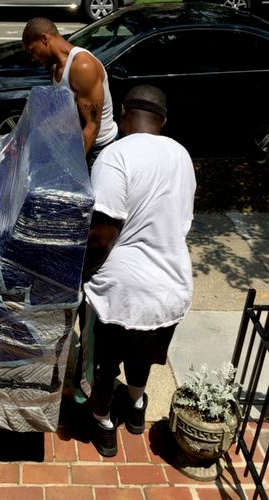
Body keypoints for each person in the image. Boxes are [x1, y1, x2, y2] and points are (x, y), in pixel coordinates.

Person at [82, 85, 196, 457]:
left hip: (121, 292)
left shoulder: (115, 156)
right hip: (169, 288)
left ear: (124, 114)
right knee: (142, 356)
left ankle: (102, 425)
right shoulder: (181, 155)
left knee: (104, 366)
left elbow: (102, 237)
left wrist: (81, 275)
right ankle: (134, 408)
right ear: (163, 120)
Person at [22, 17, 118, 168]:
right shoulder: (54, 68)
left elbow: (92, 127)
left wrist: (70, 169)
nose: (33, 58)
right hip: (74, 145)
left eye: (32, 51)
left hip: (98, 150)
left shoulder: (82, 66)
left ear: (44, 39)